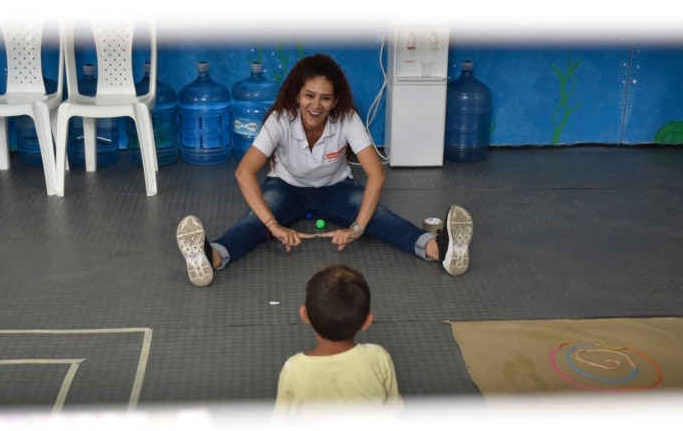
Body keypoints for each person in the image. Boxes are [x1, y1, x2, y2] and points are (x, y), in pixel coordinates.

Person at [175, 53, 473, 286]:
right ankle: (210, 256)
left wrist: (356, 228)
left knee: (377, 217)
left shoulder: (347, 119)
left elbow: (376, 173)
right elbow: (243, 172)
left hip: (335, 188)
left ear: (335, 101)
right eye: (309, 95)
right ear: (297, 95)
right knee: (256, 223)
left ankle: (440, 249)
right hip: (285, 186)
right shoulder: (280, 119)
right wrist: (274, 225)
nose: (316, 105)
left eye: (325, 98)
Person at [272, 263, 401, 419]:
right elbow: (394, 413)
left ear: (304, 314)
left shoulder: (293, 369)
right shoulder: (379, 358)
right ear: (367, 321)